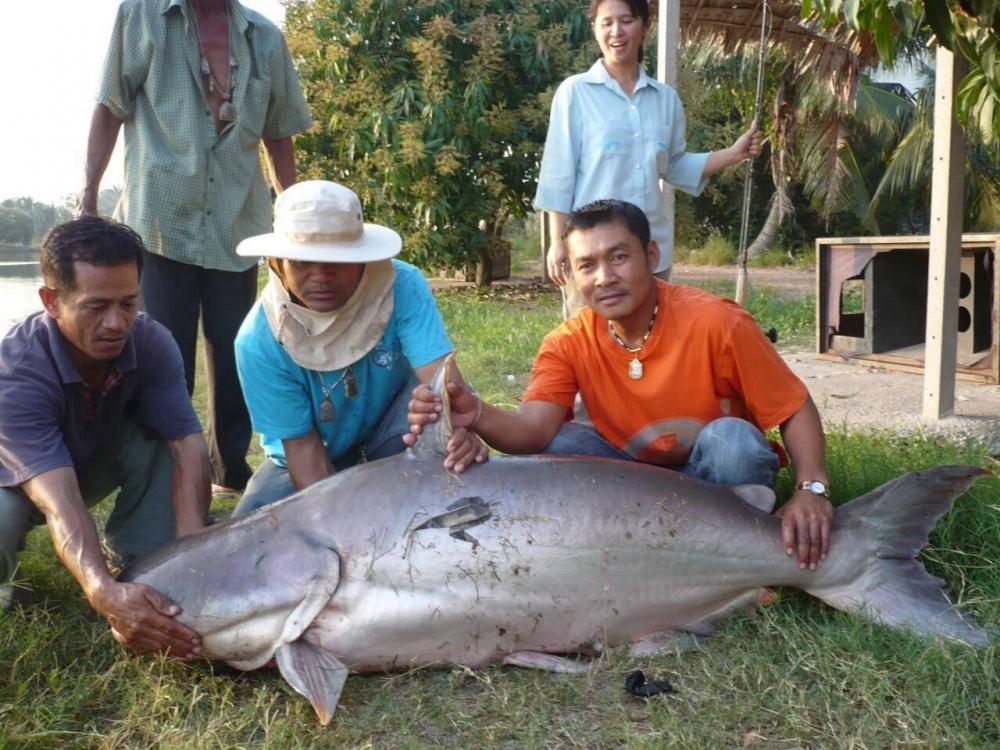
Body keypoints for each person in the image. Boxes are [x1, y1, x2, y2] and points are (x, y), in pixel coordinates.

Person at [408, 200, 834, 571]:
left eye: (618, 257)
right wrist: (476, 412)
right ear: (572, 275)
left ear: (651, 255)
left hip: (715, 478)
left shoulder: (718, 323)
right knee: (559, 447)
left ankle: (724, 550)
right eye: (586, 266)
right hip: (632, 480)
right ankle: (642, 550)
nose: (604, 277)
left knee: (733, 442)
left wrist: (810, 488)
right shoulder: (568, 341)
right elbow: (534, 430)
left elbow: (793, 408)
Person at [78, 0, 313, 494]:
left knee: (236, 352)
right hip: (160, 221)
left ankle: (230, 468)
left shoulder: (264, 36)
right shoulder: (141, 15)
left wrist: (290, 217)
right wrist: (88, 197)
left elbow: (279, 134)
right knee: (165, 356)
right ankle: (163, 477)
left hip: (236, 222)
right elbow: (110, 106)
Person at [0, 216, 211, 658]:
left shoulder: (152, 341)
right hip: (17, 480)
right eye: (96, 307)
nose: (117, 323)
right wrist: (102, 592)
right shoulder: (16, 371)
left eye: (128, 303)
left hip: (91, 456)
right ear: (51, 301)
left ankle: (139, 560)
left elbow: (187, 444)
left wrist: (195, 547)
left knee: (161, 437)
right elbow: (59, 499)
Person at [231, 181, 488, 515]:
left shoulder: (402, 285)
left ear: (364, 260)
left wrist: (457, 435)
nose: (321, 276)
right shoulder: (257, 342)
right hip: (314, 450)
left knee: (451, 466)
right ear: (277, 264)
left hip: (398, 430)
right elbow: (304, 449)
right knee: (252, 532)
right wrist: (341, 527)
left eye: (337, 260)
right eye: (301, 262)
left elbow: (442, 380)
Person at [535, 0, 763, 318]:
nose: (616, 31)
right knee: (593, 352)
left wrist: (734, 153)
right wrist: (558, 242)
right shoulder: (575, 92)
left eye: (627, 20)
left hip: (650, 253)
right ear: (595, 29)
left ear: (644, 26)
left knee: (653, 350)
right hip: (592, 256)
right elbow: (558, 173)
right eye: (606, 23)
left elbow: (676, 165)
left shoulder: (665, 99)